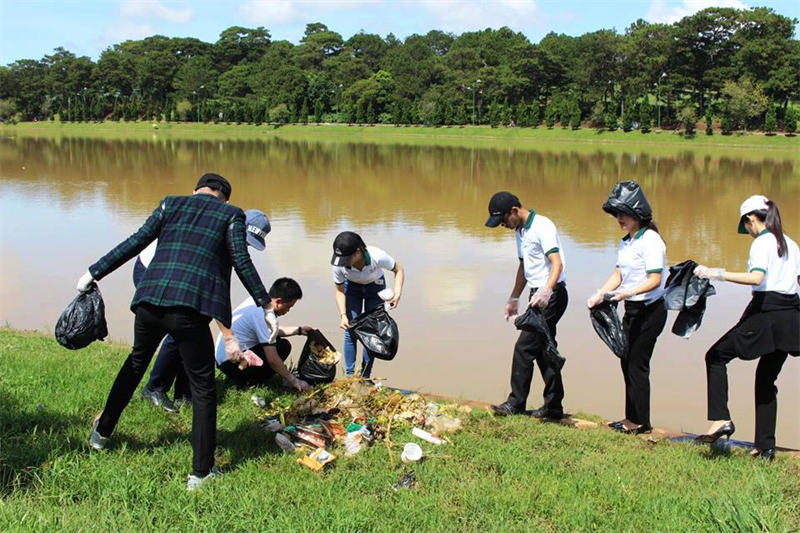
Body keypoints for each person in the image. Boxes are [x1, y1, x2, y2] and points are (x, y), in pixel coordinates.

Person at [78, 173, 279, 491]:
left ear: (196, 191)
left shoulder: (170, 203)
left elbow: (135, 242)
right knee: (203, 389)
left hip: (148, 301)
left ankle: (101, 434)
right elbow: (240, 261)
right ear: (223, 197)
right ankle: (201, 472)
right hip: (187, 312)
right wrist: (265, 303)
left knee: (135, 364)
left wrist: (93, 272)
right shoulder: (231, 214)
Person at [693, 196, 799, 460]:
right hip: (792, 315)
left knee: (716, 356)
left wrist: (714, 273)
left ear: (750, 219)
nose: (748, 232)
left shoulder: (762, 242)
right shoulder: (791, 243)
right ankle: (766, 448)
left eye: (746, 226)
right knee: (766, 379)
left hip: (766, 311)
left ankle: (720, 420)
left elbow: (756, 278)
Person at [139, 209, 272, 412]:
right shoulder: (217, 238)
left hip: (182, 275)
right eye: (244, 240)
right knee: (179, 329)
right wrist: (230, 337)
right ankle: (155, 388)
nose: (243, 246)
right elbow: (217, 293)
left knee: (192, 328)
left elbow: (218, 292)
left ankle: (184, 393)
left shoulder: (228, 242)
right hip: (153, 268)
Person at [587, 181, 667, 435]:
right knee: (627, 361)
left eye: (623, 214)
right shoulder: (627, 241)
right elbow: (619, 273)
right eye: (617, 214)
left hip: (650, 311)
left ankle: (641, 422)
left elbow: (655, 279)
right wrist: (600, 293)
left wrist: (626, 293)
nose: (619, 219)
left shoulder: (651, 240)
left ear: (637, 213)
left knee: (637, 364)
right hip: (631, 309)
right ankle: (631, 417)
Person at [485, 191, 568, 420]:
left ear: (514, 210)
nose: (504, 226)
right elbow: (524, 268)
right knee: (544, 351)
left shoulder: (542, 226)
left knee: (524, 349)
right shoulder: (520, 231)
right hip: (537, 294)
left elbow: (557, 264)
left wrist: (547, 290)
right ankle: (553, 407)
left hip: (551, 295)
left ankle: (516, 403)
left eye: (504, 221)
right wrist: (514, 298)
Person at [216, 277, 312, 391]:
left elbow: (270, 331)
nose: (288, 311)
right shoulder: (261, 316)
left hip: (223, 358)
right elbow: (272, 359)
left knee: (278, 343)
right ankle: (249, 382)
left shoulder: (258, 301)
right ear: (279, 301)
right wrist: (294, 381)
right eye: (288, 307)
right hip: (232, 362)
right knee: (282, 347)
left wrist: (299, 330)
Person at [331, 231, 404, 378]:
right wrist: (343, 315)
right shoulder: (339, 264)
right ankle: (350, 377)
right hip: (352, 289)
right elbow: (339, 291)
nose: (342, 262)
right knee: (350, 330)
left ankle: (365, 376)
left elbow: (399, 270)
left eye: (346, 259)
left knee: (372, 332)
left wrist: (397, 294)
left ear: (357, 252)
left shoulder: (377, 256)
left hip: (375, 288)